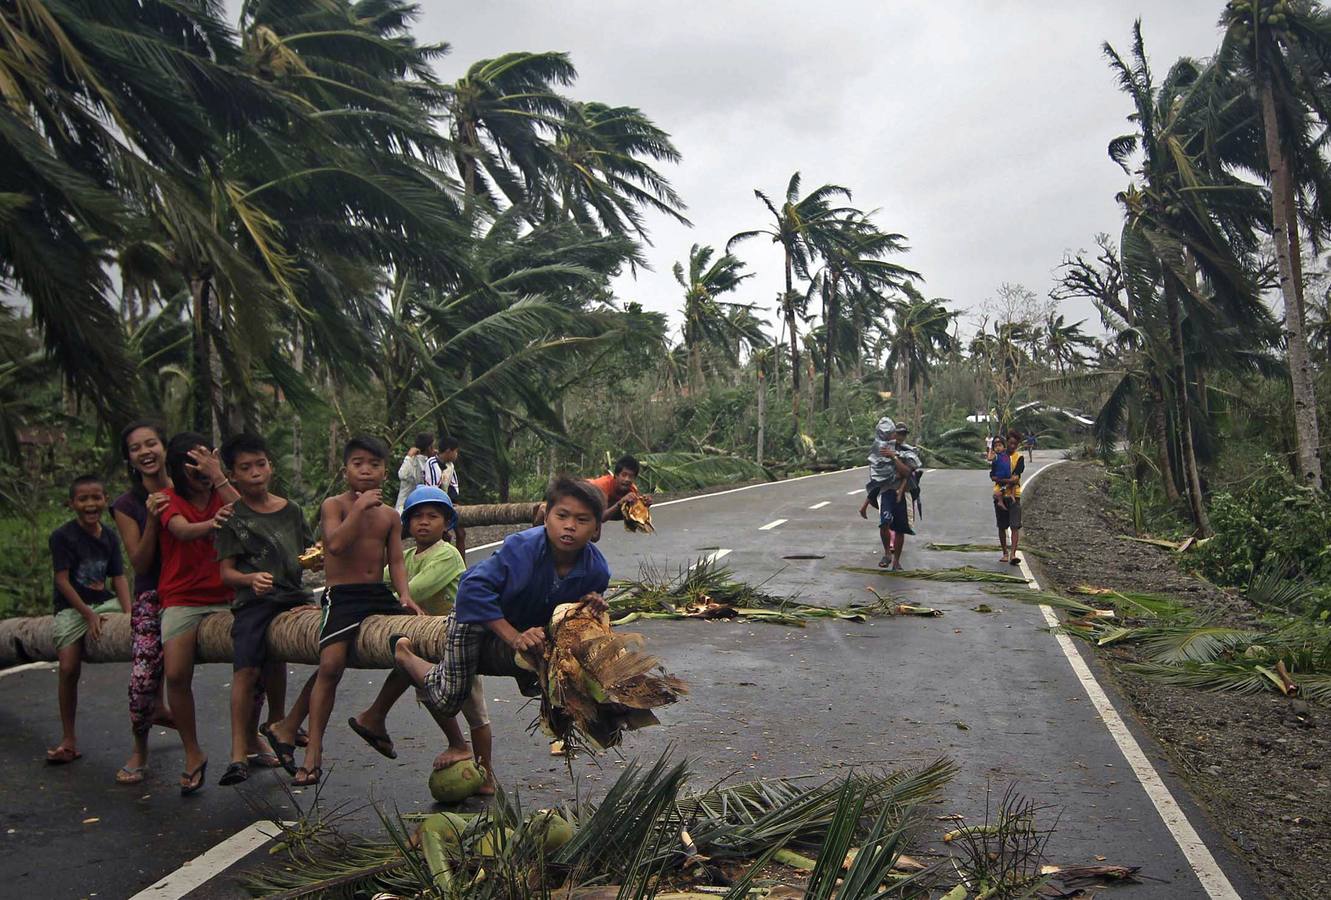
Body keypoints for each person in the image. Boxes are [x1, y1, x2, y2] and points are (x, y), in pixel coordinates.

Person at [388, 477, 611, 778]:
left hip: (524, 623)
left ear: (596, 529)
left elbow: (567, 612)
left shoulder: (597, 571)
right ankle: (406, 657)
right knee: (449, 699)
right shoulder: (523, 547)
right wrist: (512, 636)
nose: (570, 526)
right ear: (546, 518)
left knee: (545, 682)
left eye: (582, 520)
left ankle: (486, 772)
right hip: (476, 616)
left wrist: (588, 606)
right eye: (562, 516)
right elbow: (471, 589)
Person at [265, 435, 422, 787]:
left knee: (416, 644)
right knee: (331, 665)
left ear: (385, 471)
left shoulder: (390, 517)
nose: (366, 470)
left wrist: (405, 595)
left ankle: (375, 716)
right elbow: (334, 545)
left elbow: (395, 560)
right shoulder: (334, 506)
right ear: (345, 469)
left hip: (376, 593)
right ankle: (314, 752)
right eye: (358, 463)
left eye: (375, 464)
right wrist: (360, 508)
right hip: (343, 595)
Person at [348, 486, 495, 793]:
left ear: (447, 523)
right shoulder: (408, 556)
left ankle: (486, 773)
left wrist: (382, 595)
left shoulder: (447, 555)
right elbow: (382, 577)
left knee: (474, 709)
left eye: (433, 516)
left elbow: (412, 592)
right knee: (426, 690)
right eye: (417, 517)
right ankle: (455, 743)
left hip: (457, 639)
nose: (424, 522)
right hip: (424, 641)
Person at [215, 433, 320, 786]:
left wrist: (319, 557)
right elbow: (226, 572)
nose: (255, 472)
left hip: (293, 596)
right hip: (254, 603)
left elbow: (308, 553)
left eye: (260, 464)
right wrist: (249, 579)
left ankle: (279, 723)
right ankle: (236, 753)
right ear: (233, 475)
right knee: (246, 671)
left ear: (271, 467)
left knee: (293, 657)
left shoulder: (291, 511)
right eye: (246, 468)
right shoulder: (233, 518)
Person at [157, 432, 241, 794]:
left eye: (206, 461)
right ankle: (193, 752)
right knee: (175, 674)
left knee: (257, 657)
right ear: (178, 468)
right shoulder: (166, 500)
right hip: (183, 598)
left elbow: (253, 515)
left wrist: (219, 478)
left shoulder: (224, 491)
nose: (201, 471)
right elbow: (182, 530)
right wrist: (214, 523)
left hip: (229, 593)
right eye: (193, 464)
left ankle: (253, 738)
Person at [46, 474, 133, 765]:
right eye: (83, 499)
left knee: (146, 641)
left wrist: (130, 612)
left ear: (104, 500)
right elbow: (62, 581)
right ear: (72, 503)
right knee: (69, 667)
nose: (90, 504)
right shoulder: (62, 537)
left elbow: (118, 577)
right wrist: (87, 614)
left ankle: (156, 710)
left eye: (96, 497)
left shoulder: (109, 535)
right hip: (73, 607)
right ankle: (68, 739)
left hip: (105, 602)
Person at [111, 420, 175, 785]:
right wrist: (153, 518)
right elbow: (139, 562)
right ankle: (140, 748)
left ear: (164, 447)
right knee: (142, 678)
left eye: (151, 443)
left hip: (195, 592)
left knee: (251, 655)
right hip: (153, 595)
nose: (145, 452)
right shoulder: (126, 504)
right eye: (136, 448)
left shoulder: (187, 488)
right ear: (130, 459)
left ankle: (250, 740)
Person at [858, 416, 921, 571]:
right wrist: (865, 505)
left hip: (903, 493)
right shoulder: (879, 450)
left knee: (900, 528)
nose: (899, 436)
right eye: (897, 433)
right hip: (886, 492)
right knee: (884, 522)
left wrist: (894, 457)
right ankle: (887, 553)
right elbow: (876, 481)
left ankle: (896, 561)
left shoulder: (907, 451)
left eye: (903, 434)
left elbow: (907, 472)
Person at [994, 429, 1027, 566]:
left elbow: (1015, 478)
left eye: (1015, 444)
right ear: (1006, 442)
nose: (1013, 446)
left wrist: (1003, 480)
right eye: (1011, 443)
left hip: (1015, 496)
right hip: (999, 494)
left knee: (1014, 526)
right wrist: (1007, 480)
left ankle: (1013, 554)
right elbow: (993, 475)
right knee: (1002, 526)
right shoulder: (999, 456)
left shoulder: (1019, 458)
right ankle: (1005, 553)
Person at [588, 454, 653, 521]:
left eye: (631, 476)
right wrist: (620, 502)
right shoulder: (603, 485)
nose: (627, 479)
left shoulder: (632, 490)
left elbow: (633, 518)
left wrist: (644, 505)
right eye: (624, 475)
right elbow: (601, 518)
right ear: (616, 475)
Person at [435, 436, 467, 557]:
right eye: (456, 451)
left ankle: (462, 569)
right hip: (438, 504)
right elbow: (433, 487)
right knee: (444, 537)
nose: (456, 454)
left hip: (449, 503)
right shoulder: (432, 464)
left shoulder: (450, 466)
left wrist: (453, 501)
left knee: (461, 533)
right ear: (449, 451)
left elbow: (453, 487)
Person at [395, 432, 434, 512]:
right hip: (404, 507)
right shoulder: (412, 460)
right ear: (429, 448)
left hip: (418, 506)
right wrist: (408, 456)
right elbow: (402, 474)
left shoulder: (429, 462)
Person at [989, 437, 1012, 514]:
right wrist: (990, 450)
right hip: (1000, 477)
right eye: (996, 446)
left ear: (1004, 447)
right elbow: (989, 458)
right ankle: (1000, 500)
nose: (998, 448)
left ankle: (1010, 496)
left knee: (1011, 484)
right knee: (1001, 489)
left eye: (999, 445)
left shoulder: (1006, 455)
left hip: (1008, 476)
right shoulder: (996, 456)